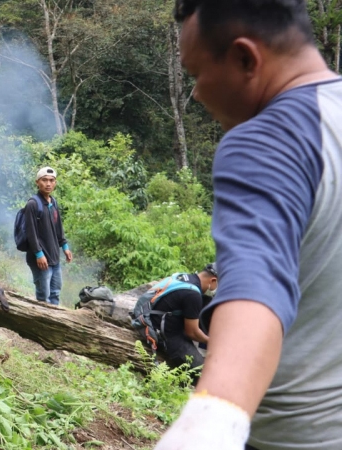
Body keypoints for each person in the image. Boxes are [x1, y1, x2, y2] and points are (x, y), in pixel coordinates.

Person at [156, 1, 342, 449]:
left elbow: (256, 286)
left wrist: (208, 426)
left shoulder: (269, 139)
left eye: (197, 73)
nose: (196, 94)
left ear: (245, 58)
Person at [150, 263, 217, 374]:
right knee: (204, 372)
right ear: (213, 280)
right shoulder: (193, 294)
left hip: (157, 317)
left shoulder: (184, 277)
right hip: (163, 333)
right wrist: (213, 342)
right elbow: (192, 333)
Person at [23, 167, 73, 305]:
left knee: (55, 293)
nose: (48, 184)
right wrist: (39, 254)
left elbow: (58, 227)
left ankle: (53, 317)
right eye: (44, 180)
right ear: (37, 182)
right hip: (40, 259)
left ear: (55, 182)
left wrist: (65, 246)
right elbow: (31, 232)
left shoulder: (53, 202)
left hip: (54, 257)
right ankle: (41, 318)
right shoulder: (33, 204)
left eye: (51, 180)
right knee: (43, 296)